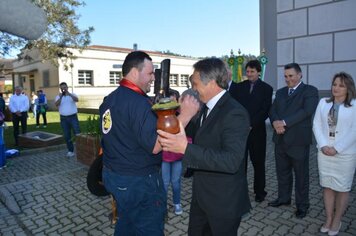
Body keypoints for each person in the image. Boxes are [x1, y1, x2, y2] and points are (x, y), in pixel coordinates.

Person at [99, 51, 198, 235]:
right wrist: (185, 116)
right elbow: (155, 146)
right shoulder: (138, 103)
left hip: (114, 176)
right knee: (149, 227)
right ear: (135, 72)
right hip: (139, 182)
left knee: (126, 223)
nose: (153, 78)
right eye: (151, 73)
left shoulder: (109, 100)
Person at [158, 58, 251, 236]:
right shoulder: (205, 108)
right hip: (201, 198)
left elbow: (231, 161)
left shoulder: (235, 112)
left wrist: (186, 149)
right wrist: (180, 113)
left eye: (195, 83)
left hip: (223, 203)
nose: (192, 88)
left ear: (212, 82)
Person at [268, 62, 319, 219]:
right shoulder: (282, 92)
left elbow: (306, 111)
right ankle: (284, 198)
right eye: (285, 76)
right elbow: (272, 109)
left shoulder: (310, 91)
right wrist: (276, 122)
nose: (287, 79)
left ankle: (302, 205)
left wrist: (283, 122)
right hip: (280, 139)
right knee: (282, 172)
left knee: (301, 175)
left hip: (298, 141)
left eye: (290, 76)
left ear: (299, 75)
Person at [312, 72, 356, 235]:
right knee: (328, 186)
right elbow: (316, 124)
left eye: (341, 85)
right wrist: (323, 145)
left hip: (345, 154)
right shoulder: (323, 102)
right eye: (335, 84)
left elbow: (354, 130)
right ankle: (329, 218)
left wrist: (337, 148)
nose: (336, 88)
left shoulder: (354, 105)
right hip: (324, 152)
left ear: (348, 88)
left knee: (343, 188)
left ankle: (337, 219)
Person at [229, 60, 273, 202]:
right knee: (241, 163)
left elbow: (265, 110)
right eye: (247, 71)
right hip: (240, 132)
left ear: (259, 72)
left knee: (258, 163)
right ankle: (240, 191)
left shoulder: (267, 88)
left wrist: (251, 124)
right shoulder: (238, 87)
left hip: (257, 132)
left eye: (252, 72)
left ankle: (260, 192)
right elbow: (234, 107)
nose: (249, 74)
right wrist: (242, 124)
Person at [55, 82, 80, 158]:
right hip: (64, 119)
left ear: (67, 87)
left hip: (73, 117)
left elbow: (77, 100)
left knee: (77, 133)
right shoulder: (58, 96)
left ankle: (80, 150)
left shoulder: (72, 94)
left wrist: (69, 94)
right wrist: (61, 97)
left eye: (65, 87)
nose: (63, 89)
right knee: (67, 135)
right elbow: (56, 104)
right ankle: (70, 151)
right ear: (60, 89)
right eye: (62, 88)